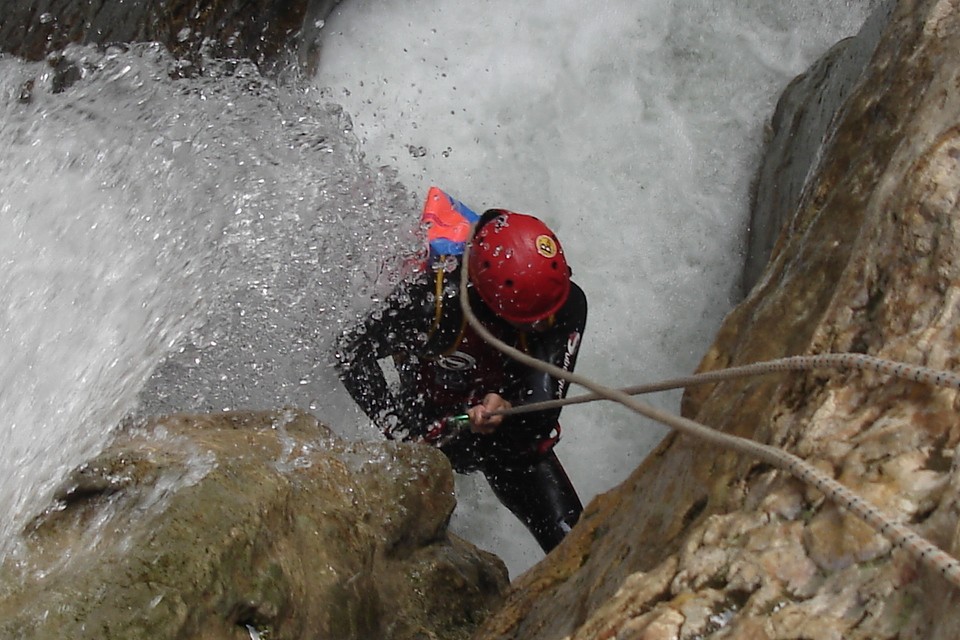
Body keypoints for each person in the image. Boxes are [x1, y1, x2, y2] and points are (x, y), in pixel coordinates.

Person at [334, 189, 587, 552]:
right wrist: (404, 434)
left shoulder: (562, 302)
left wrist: (507, 406)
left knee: (569, 538)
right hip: (431, 416)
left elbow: (540, 413)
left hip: (505, 430)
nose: (549, 323)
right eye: (534, 322)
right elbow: (349, 354)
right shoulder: (431, 305)